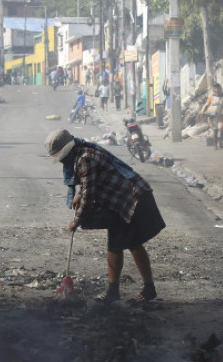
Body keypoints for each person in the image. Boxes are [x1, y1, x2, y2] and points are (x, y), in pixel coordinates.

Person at [45, 128, 165, 304]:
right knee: (116, 244)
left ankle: (146, 289)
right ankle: (114, 290)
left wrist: (76, 221)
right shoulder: (82, 154)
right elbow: (89, 185)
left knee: (132, 243)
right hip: (118, 202)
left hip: (133, 199)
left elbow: (88, 196)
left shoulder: (84, 159)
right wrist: (79, 196)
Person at [201, 82, 223, 149]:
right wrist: (203, 112)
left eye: (218, 88)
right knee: (215, 130)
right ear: (214, 89)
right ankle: (215, 145)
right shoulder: (211, 97)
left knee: (222, 129)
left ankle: (221, 141)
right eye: (216, 89)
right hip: (213, 116)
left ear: (220, 89)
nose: (217, 90)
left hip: (221, 115)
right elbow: (207, 105)